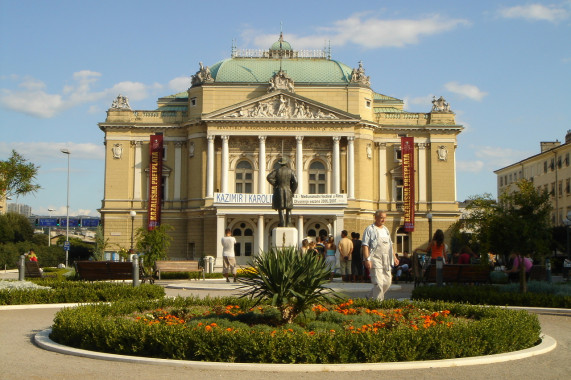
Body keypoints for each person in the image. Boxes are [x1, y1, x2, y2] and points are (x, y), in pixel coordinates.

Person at [362, 210, 398, 300]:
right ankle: (378, 304)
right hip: (375, 258)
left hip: (386, 258)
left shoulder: (386, 230)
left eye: (384, 218)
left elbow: (390, 244)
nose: (383, 220)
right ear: (376, 217)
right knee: (378, 282)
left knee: (387, 282)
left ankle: (370, 297)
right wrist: (367, 259)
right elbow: (365, 245)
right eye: (381, 217)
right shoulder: (370, 229)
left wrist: (394, 257)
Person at [266, 158, 298, 227]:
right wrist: (292, 191)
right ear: (286, 163)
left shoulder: (277, 171)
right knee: (288, 208)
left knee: (280, 208)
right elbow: (296, 182)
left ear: (280, 164)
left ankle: (282, 223)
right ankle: (289, 223)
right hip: (288, 191)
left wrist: (275, 184)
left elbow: (269, 177)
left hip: (279, 190)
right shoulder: (291, 171)